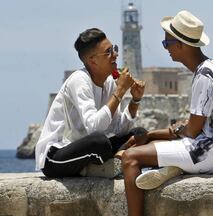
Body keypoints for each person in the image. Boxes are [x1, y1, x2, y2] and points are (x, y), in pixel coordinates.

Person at [119, 10, 213, 216]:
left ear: (181, 45)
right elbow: (197, 125)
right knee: (153, 146)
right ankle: (174, 167)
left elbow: (192, 131)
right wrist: (154, 135)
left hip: (206, 155)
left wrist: (156, 134)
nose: (166, 48)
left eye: (167, 43)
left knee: (130, 158)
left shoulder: (203, 76)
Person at [35, 28, 145, 178]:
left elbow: (118, 129)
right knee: (99, 142)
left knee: (139, 134)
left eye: (114, 49)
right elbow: (94, 127)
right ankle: (106, 166)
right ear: (92, 60)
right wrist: (119, 92)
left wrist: (135, 100)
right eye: (108, 52)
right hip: (56, 156)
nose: (115, 54)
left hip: (88, 150)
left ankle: (110, 164)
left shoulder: (109, 82)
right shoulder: (79, 80)